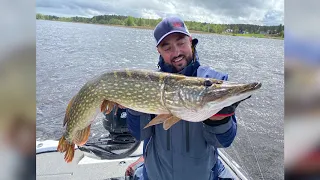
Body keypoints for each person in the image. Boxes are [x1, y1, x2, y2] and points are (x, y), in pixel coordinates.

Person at [125, 16, 239, 180]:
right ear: (159, 51)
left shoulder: (215, 80)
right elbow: (139, 135)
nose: (176, 52)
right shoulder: (148, 83)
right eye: (167, 47)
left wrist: (220, 120)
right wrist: (132, 105)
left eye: (181, 43)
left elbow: (223, 142)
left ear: (190, 41)